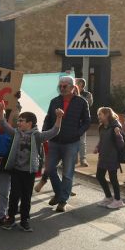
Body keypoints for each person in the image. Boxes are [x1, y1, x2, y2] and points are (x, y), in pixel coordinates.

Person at [0, 101, 63, 232]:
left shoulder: (37, 136)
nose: (19, 122)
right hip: (16, 170)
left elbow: (54, 131)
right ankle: (10, 218)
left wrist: (59, 117)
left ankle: (24, 220)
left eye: (22, 121)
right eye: (19, 120)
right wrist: (1, 111)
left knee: (26, 196)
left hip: (29, 172)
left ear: (30, 123)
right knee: (14, 195)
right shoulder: (16, 133)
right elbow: (4, 125)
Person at [42, 76, 90, 213]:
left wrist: (77, 133)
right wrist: (45, 134)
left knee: (68, 173)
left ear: (72, 87)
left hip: (71, 142)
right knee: (50, 169)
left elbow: (87, 122)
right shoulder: (55, 101)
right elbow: (48, 119)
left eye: (65, 86)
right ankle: (58, 193)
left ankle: (63, 200)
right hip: (54, 141)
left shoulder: (81, 102)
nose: (62, 88)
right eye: (60, 86)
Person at [93, 107, 125, 209]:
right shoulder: (102, 127)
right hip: (103, 156)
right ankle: (108, 197)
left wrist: (118, 134)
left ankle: (118, 200)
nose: (98, 116)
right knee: (99, 176)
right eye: (98, 114)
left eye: (100, 114)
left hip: (112, 157)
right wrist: (97, 147)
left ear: (107, 114)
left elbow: (121, 145)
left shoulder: (116, 127)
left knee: (113, 179)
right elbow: (102, 140)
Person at [75, 78, 93, 167]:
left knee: (82, 142)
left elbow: (88, 104)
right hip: (72, 121)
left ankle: (83, 159)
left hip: (82, 121)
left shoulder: (87, 95)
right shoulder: (70, 93)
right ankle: (73, 159)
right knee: (70, 141)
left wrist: (77, 95)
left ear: (81, 85)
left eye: (76, 83)